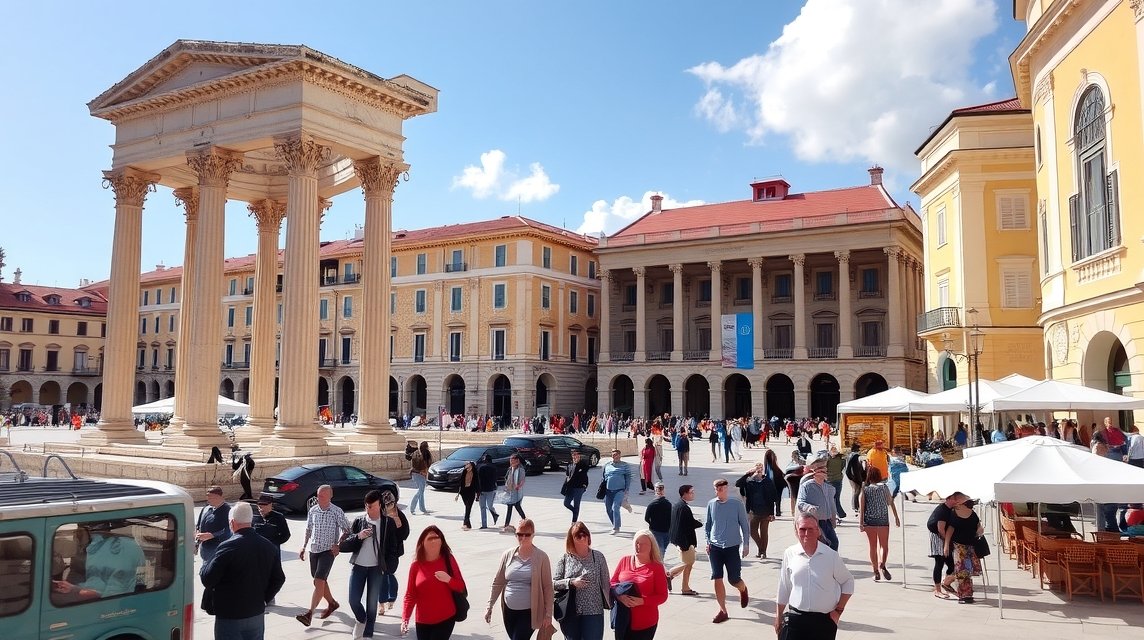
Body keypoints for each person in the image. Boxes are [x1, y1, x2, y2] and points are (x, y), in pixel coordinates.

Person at [200, 501, 286, 640]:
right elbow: (279, 578)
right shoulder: (268, 546)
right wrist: (264, 600)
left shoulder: (227, 547)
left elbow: (208, 578)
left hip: (230, 616)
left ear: (232, 522)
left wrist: (206, 563)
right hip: (256, 614)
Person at [774, 515, 854, 640]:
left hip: (824, 621)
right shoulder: (789, 553)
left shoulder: (830, 556)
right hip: (796, 619)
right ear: (796, 531)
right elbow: (784, 587)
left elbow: (848, 581)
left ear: (818, 531)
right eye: (802, 529)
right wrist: (778, 616)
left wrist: (838, 611)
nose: (806, 533)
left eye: (810, 529)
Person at [485, 518, 554, 640]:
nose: (522, 538)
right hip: (509, 610)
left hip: (530, 611)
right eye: (519, 534)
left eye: (526, 535)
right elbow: (498, 582)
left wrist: (548, 613)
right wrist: (489, 606)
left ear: (533, 535)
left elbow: (548, 586)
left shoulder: (541, 557)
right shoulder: (508, 555)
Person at [296, 484, 352, 627]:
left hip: (328, 551)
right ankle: (332, 603)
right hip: (314, 549)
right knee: (318, 581)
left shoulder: (336, 512)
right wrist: (303, 546)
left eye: (321, 495)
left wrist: (338, 544)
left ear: (329, 497)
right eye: (318, 495)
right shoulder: (313, 510)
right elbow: (308, 528)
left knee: (319, 580)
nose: (318, 498)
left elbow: (347, 529)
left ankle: (309, 613)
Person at [401, 526, 467, 640]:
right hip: (422, 620)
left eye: (436, 538)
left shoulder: (449, 559)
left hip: (446, 617)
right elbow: (410, 594)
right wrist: (405, 619)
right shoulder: (416, 566)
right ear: (422, 542)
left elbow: (461, 586)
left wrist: (448, 580)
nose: (433, 542)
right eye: (430, 539)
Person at [553, 522, 611, 640]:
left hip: (593, 610)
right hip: (570, 610)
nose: (583, 538)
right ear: (572, 539)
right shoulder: (565, 558)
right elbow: (554, 583)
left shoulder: (598, 556)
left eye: (585, 534)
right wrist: (571, 582)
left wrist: (612, 603)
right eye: (578, 536)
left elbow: (606, 582)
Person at [704, 478, 750, 623]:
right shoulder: (711, 504)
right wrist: (707, 542)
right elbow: (708, 525)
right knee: (717, 577)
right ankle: (723, 611)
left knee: (734, 579)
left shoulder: (736, 504)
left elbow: (744, 524)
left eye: (720, 488)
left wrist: (746, 544)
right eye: (715, 489)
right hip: (715, 547)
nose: (717, 491)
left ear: (726, 488)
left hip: (732, 547)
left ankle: (742, 589)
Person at [344, 490, 388, 639]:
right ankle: (361, 620)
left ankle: (368, 633)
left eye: (372, 507)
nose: (369, 510)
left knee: (371, 603)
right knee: (353, 600)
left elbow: (397, 543)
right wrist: (359, 536)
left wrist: (390, 566)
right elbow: (346, 542)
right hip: (359, 566)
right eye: (367, 507)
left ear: (380, 505)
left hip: (376, 568)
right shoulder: (359, 521)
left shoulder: (387, 523)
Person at [610, 530, 669, 640]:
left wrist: (642, 601)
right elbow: (612, 583)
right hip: (622, 619)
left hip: (645, 622)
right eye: (637, 542)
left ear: (651, 546)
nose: (639, 546)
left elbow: (662, 596)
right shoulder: (624, 561)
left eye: (643, 544)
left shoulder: (657, 567)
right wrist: (619, 596)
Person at [858, 466, 899, 582]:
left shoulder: (865, 489)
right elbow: (891, 502)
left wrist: (861, 523)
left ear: (869, 477)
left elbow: (862, 507)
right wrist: (896, 517)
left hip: (869, 520)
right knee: (884, 546)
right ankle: (883, 564)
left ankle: (875, 570)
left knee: (872, 546)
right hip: (883, 520)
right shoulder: (884, 487)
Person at [944, 498, 984, 604]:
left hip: (970, 546)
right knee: (962, 570)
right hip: (959, 546)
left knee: (968, 570)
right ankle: (964, 595)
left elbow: (979, 528)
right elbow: (950, 530)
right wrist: (946, 545)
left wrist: (979, 532)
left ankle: (963, 592)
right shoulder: (955, 514)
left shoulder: (972, 514)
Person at [377, 492, 411, 615]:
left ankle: (392, 597)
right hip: (380, 551)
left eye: (391, 503)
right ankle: (381, 603)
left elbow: (405, 534)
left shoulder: (400, 515)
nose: (389, 506)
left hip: (394, 552)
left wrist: (398, 525)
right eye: (386, 504)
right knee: (381, 577)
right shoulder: (380, 515)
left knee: (389, 574)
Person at [736, 462, 778, 559]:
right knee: (753, 532)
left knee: (764, 532)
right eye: (756, 470)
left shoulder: (767, 481)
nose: (758, 472)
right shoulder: (750, 482)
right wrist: (747, 474)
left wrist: (772, 513)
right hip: (754, 511)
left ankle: (763, 552)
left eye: (760, 470)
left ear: (763, 471)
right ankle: (761, 549)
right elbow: (738, 484)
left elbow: (774, 497)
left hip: (766, 511)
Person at [928, 492, 966, 599]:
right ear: (949, 499)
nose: (957, 501)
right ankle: (937, 589)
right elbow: (941, 529)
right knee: (939, 562)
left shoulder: (951, 509)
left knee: (951, 563)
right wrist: (947, 542)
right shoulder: (942, 510)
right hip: (938, 537)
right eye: (955, 499)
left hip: (945, 537)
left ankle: (946, 582)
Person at [796, 457, 839, 551]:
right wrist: (809, 507)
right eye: (821, 469)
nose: (825, 471)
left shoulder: (829, 488)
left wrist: (833, 518)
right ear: (815, 472)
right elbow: (800, 503)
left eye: (825, 469)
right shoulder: (806, 486)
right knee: (820, 545)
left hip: (827, 522)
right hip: (815, 522)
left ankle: (831, 562)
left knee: (834, 543)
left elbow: (832, 504)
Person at [667, 484, 702, 596]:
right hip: (684, 541)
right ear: (685, 494)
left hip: (680, 540)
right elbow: (688, 524)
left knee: (688, 563)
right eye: (691, 492)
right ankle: (672, 576)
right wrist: (700, 523)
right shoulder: (684, 508)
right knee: (688, 563)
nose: (693, 494)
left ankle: (681, 584)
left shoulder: (678, 505)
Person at [195, 486, 232, 565]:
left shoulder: (227, 511)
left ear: (220, 497)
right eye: (208, 497)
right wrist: (197, 533)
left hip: (218, 550)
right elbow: (199, 523)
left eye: (211, 498)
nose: (208, 500)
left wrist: (212, 535)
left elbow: (229, 530)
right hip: (205, 551)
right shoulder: (206, 508)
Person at [602, 449, 632, 535]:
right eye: (613, 455)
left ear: (620, 455)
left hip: (619, 490)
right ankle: (614, 523)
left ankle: (616, 527)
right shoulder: (607, 465)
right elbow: (604, 477)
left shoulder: (624, 465)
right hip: (608, 491)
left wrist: (627, 489)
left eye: (617, 454)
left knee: (615, 507)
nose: (615, 456)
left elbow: (628, 477)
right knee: (608, 509)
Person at [644, 482, 673, 558]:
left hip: (656, 530)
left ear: (656, 491)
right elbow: (672, 518)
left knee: (660, 549)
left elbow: (646, 518)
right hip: (667, 531)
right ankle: (660, 564)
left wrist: (652, 524)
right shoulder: (669, 504)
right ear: (664, 491)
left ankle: (658, 563)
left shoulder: (652, 504)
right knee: (663, 549)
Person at [563, 450, 591, 523]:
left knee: (576, 504)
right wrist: (564, 487)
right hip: (570, 487)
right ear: (572, 456)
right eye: (574, 455)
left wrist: (584, 486)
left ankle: (574, 522)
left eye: (578, 455)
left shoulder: (583, 465)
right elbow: (567, 476)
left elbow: (584, 472)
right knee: (566, 503)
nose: (576, 457)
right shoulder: (570, 465)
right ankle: (575, 511)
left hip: (579, 487)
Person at [503, 453, 528, 532]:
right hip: (510, 491)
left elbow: (523, 480)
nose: (511, 462)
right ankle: (507, 524)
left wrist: (518, 486)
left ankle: (525, 521)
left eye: (513, 461)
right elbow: (507, 478)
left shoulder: (520, 470)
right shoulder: (510, 469)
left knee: (517, 506)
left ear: (517, 461)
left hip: (516, 492)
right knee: (510, 507)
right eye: (510, 461)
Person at [477, 453, 501, 529]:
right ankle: (494, 514)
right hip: (491, 489)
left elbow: (479, 480)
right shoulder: (494, 468)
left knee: (482, 507)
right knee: (490, 506)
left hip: (482, 490)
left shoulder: (480, 468)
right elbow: (496, 478)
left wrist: (477, 491)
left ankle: (484, 525)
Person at [824, 445, 847, 518]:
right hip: (838, 480)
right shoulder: (841, 459)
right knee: (837, 498)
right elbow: (842, 468)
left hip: (829, 481)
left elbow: (825, 468)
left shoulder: (827, 459)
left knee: (830, 499)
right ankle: (840, 513)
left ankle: (837, 514)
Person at [409, 441, 432, 515]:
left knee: (421, 492)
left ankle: (422, 508)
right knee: (420, 491)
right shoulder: (426, 454)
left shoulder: (416, 453)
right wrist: (425, 473)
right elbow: (427, 465)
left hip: (414, 473)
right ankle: (412, 508)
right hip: (421, 474)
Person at [843, 443, 865, 513]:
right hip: (855, 476)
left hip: (851, 475)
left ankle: (854, 506)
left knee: (854, 490)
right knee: (857, 491)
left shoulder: (849, 455)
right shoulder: (856, 456)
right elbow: (856, 468)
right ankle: (856, 506)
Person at [458, 461, 478, 530]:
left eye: (468, 465)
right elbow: (460, 481)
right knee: (467, 506)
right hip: (464, 492)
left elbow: (477, 482)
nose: (466, 466)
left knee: (468, 507)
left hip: (471, 491)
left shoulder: (475, 473)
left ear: (471, 466)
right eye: (466, 465)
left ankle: (465, 523)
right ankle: (468, 524)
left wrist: (478, 493)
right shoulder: (464, 472)